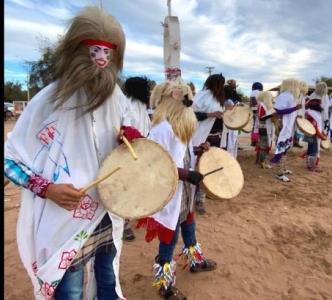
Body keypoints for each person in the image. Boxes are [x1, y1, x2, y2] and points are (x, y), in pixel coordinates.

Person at [4, 7, 142, 300]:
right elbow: (9, 159)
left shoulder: (116, 98)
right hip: (63, 222)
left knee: (108, 282)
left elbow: (129, 139)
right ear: (78, 51)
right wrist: (47, 188)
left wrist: (128, 139)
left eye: (108, 53)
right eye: (95, 51)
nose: (102, 59)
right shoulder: (48, 100)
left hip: (106, 212)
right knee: (69, 292)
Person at [136, 80, 216, 300]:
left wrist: (199, 150)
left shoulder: (179, 125)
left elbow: (182, 154)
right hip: (170, 191)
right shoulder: (161, 128)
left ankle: (195, 260)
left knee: (189, 225)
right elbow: (154, 163)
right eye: (186, 101)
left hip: (185, 191)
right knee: (170, 237)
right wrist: (186, 175)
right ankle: (165, 282)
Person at [122, 76, 152, 241]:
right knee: (128, 188)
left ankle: (138, 215)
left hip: (142, 152)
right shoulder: (128, 106)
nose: (148, 93)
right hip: (129, 154)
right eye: (146, 89)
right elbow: (126, 130)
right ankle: (124, 224)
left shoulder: (142, 107)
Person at [191, 74, 225, 215]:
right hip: (199, 138)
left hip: (214, 138)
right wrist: (212, 115)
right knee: (195, 168)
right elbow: (191, 115)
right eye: (220, 83)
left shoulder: (219, 98)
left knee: (208, 169)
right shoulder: (201, 96)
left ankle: (201, 199)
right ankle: (192, 198)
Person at [270, 79, 301, 182]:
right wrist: (295, 108)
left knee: (285, 148)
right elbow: (278, 110)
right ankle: (280, 173)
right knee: (281, 148)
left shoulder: (289, 95)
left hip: (286, 124)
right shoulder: (285, 96)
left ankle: (283, 168)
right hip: (282, 124)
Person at [303, 82, 328, 171]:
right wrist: (325, 121)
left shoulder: (312, 95)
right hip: (315, 119)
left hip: (310, 118)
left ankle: (310, 163)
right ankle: (312, 165)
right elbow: (324, 110)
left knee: (311, 142)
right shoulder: (321, 97)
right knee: (314, 143)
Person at [256, 91, 275, 169]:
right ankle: (262, 162)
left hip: (268, 127)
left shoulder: (267, 105)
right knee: (264, 145)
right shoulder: (261, 105)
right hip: (264, 128)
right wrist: (271, 115)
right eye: (270, 96)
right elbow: (261, 117)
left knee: (266, 145)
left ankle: (262, 161)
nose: (271, 98)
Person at [220, 85, 240, 158]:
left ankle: (229, 157)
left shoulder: (226, 101)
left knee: (229, 142)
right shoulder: (230, 101)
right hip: (231, 125)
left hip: (229, 125)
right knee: (231, 142)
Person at [293, 81, 308, 148]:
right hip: (298, 114)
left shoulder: (301, 95)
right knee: (297, 128)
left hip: (299, 113)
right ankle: (295, 142)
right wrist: (299, 114)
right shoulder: (300, 95)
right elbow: (299, 106)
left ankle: (296, 142)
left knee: (297, 128)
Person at [249, 82, 263, 148]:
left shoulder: (254, 92)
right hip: (262, 111)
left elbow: (253, 101)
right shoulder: (262, 93)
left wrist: (251, 108)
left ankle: (254, 141)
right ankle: (258, 141)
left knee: (255, 126)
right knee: (260, 126)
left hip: (255, 110)